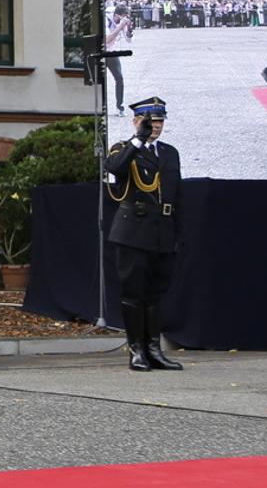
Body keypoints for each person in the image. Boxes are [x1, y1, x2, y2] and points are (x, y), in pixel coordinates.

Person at [104, 97, 185, 372]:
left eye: (160, 121)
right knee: (133, 291)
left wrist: (178, 233)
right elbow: (114, 169)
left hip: (163, 228)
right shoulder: (124, 149)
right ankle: (136, 349)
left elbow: (178, 196)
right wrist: (137, 139)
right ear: (136, 122)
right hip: (134, 229)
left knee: (155, 293)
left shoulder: (170, 153)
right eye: (149, 122)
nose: (156, 127)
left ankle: (153, 348)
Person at [104, 4, 130, 115]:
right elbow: (107, 39)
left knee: (119, 78)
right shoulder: (106, 20)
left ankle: (120, 106)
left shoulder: (121, 23)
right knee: (99, 81)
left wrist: (128, 29)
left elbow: (129, 40)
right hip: (102, 51)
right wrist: (120, 26)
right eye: (124, 16)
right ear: (118, 15)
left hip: (112, 53)